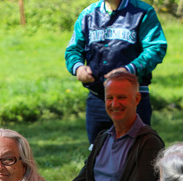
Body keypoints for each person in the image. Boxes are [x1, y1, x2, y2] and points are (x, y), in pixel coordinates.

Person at [65, 0, 167, 145]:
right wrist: (78, 67)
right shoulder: (88, 14)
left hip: (133, 97)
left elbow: (155, 48)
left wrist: (129, 70)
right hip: (98, 98)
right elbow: (73, 49)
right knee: (97, 152)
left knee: (136, 151)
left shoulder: (142, 12)